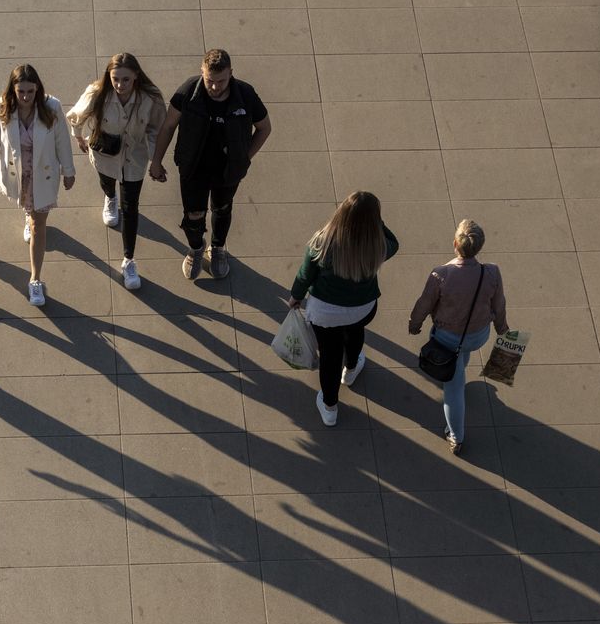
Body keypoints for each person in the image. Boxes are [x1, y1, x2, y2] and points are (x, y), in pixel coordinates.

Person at [149, 48, 272, 280]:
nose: (215, 87)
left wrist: (244, 157)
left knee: (222, 210)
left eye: (221, 81)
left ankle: (218, 248)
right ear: (201, 72)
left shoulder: (245, 95)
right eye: (209, 80)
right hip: (193, 169)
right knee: (193, 215)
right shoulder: (188, 91)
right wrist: (156, 161)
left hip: (227, 171)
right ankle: (196, 248)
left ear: (231, 73)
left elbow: (265, 127)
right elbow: (168, 126)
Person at [286, 192, 399, 426]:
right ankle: (351, 368)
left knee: (329, 355)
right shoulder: (378, 246)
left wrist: (296, 296)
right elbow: (394, 243)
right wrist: (376, 222)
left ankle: (329, 407)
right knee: (355, 333)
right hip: (362, 308)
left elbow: (305, 274)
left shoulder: (323, 242)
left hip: (326, 313)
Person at [66, 52, 166, 291]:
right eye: (115, 79)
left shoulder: (150, 99)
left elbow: (156, 130)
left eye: (126, 80)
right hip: (105, 155)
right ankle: (109, 197)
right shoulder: (98, 92)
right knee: (107, 183)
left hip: (135, 158)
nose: (120, 85)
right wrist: (78, 136)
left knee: (131, 207)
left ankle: (128, 259)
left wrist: (155, 161)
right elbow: (76, 116)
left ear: (136, 77)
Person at [408, 219, 509, 455]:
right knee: (462, 355)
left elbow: (424, 303)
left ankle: (456, 435)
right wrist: (502, 327)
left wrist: (415, 323)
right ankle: (460, 367)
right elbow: (499, 303)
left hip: (447, 339)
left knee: (453, 391)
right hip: (478, 335)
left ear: (455, 243)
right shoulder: (491, 272)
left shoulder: (441, 274)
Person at [0, 64, 76, 306]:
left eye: (30, 92)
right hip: (19, 176)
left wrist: (68, 171)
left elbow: (62, 141)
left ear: (37, 90)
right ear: (13, 90)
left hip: (42, 176)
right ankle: (28, 215)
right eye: (20, 91)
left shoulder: (51, 107)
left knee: (37, 226)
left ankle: (35, 279)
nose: (25, 97)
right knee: (30, 213)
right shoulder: (3, 107)